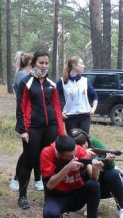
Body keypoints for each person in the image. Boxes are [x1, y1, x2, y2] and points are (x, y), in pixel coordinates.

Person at [15, 50, 64, 209]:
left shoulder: (52, 84)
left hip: (50, 127)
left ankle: (48, 197)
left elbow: (57, 107)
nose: (43, 66)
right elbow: (20, 107)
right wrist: (22, 130)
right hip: (32, 128)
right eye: (40, 63)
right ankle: (22, 196)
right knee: (28, 160)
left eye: (46, 63)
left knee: (48, 162)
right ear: (34, 63)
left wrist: (61, 131)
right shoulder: (26, 82)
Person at [40, 135, 103, 218]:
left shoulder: (80, 150)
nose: (74, 156)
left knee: (94, 185)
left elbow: (94, 178)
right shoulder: (47, 153)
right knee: (50, 214)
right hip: (56, 195)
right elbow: (50, 185)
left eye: (75, 153)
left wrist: (96, 169)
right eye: (70, 156)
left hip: (76, 194)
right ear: (59, 154)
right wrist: (67, 167)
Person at [70, 128, 123, 218]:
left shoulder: (95, 143)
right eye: (79, 145)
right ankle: (93, 205)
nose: (83, 146)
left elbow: (111, 166)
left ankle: (122, 209)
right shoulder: (70, 150)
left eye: (84, 142)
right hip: (88, 182)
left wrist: (107, 160)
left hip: (104, 182)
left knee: (112, 174)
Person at [9, 52, 42, 193]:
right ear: (31, 62)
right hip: (28, 119)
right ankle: (17, 179)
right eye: (39, 62)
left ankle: (38, 179)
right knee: (29, 152)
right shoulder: (22, 76)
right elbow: (23, 100)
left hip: (39, 119)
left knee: (38, 152)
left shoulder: (36, 76)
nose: (42, 65)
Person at [56, 56, 98, 134]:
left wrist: (93, 108)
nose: (84, 66)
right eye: (81, 63)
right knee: (73, 141)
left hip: (85, 116)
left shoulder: (85, 81)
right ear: (74, 65)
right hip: (70, 116)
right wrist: (60, 112)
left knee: (84, 140)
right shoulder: (62, 81)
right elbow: (54, 99)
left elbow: (95, 96)